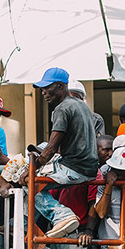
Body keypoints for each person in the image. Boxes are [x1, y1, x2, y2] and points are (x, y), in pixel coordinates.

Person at [31, 67, 100, 238]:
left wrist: (31, 168)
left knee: (29, 183)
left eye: (47, 88)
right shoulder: (82, 106)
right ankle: (30, 224)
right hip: (88, 168)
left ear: (61, 86)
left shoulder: (62, 109)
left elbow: (51, 149)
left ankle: (60, 216)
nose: (43, 92)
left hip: (74, 168)